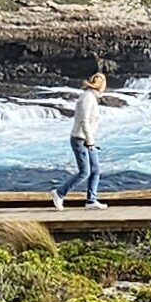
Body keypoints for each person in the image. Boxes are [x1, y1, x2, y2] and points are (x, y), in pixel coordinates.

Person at [54, 68, 109, 209]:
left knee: (96, 170)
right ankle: (59, 193)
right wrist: (90, 141)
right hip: (80, 139)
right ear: (100, 85)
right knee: (85, 172)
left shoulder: (92, 97)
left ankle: (91, 200)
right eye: (104, 84)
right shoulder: (87, 98)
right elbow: (84, 120)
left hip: (88, 140)